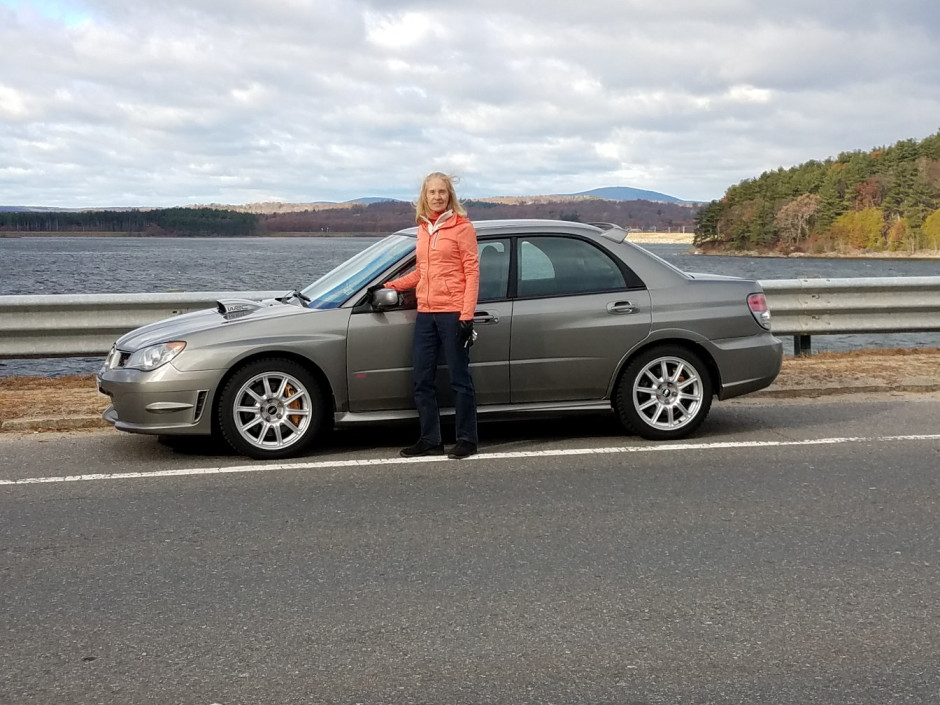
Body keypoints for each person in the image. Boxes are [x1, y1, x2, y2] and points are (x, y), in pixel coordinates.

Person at [381, 172, 480, 459]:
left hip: (452, 313)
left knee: (459, 379)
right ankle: (430, 439)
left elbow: (472, 273)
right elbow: (422, 272)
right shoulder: (424, 228)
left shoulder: (462, 227)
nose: (437, 196)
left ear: (450, 195)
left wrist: (466, 315)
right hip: (426, 313)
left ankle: (467, 440)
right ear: (424, 196)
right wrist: (390, 286)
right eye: (432, 192)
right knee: (422, 379)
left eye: (442, 192)